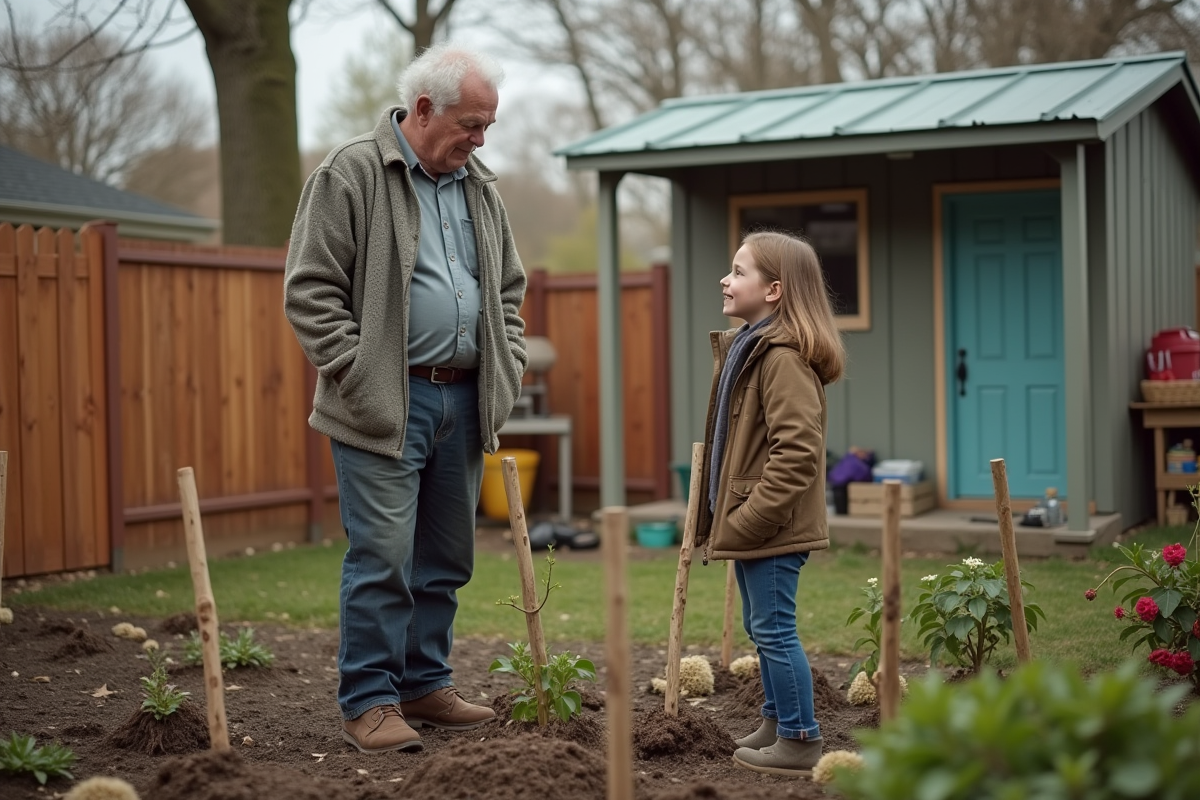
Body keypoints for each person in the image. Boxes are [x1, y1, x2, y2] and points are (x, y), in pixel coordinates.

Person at [283, 43, 528, 754]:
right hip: (384, 405)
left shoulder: (479, 186)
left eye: (488, 125)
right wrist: (361, 375)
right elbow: (310, 289)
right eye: (472, 124)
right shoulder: (352, 172)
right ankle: (369, 700)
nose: (481, 140)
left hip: (463, 402)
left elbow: (508, 293)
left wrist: (504, 366)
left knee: (446, 559)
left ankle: (424, 684)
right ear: (424, 109)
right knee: (382, 558)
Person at [694, 230, 845, 777]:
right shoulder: (753, 345)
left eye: (738, 271)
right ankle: (775, 719)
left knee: (776, 629)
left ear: (775, 289)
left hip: (771, 527)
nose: (725, 279)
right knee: (763, 628)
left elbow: (797, 451)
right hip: (755, 525)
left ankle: (801, 739)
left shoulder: (781, 357)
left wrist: (751, 518)